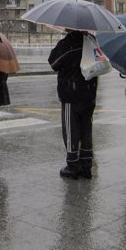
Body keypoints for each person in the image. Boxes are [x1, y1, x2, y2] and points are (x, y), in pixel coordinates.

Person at [48, 29, 97, 180]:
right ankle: (86, 164)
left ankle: (73, 165)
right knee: (86, 128)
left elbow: (54, 62)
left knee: (71, 130)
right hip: (89, 92)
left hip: (72, 92)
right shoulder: (91, 41)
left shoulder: (68, 43)